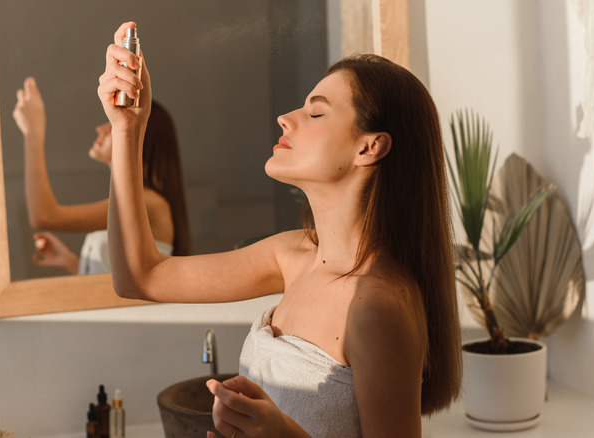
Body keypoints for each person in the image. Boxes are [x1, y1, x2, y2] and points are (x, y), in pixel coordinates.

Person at [99, 21, 461, 437]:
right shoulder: (291, 256)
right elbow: (139, 277)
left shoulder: (376, 306)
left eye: (316, 112)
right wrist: (128, 128)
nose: (286, 118)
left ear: (369, 147)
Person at [12, 77, 190, 275]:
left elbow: (44, 216)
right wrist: (72, 262)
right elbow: (121, 282)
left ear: (141, 137)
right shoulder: (142, 201)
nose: (101, 128)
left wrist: (33, 133)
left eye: (112, 124)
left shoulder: (151, 203)